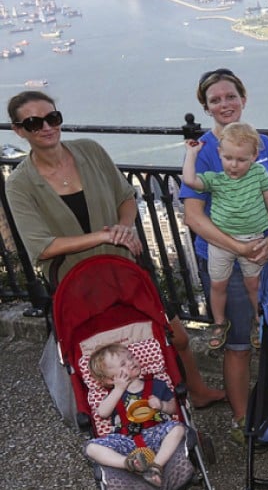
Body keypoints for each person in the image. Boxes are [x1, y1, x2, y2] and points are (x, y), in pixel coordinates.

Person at [4, 90, 222, 408]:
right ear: (19, 131)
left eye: (52, 118)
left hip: (125, 267)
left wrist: (123, 226)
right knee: (110, 355)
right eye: (34, 123)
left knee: (177, 336)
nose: (46, 127)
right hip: (77, 282)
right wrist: (104, 236)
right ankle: (133, 416)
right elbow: (42, 246)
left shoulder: (89, 151)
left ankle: (196, 391)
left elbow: (125, 196)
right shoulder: (20, 183)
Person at [181, 69, 268, 445]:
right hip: (226, 255)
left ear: (243, 98)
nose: (224, 104)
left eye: (230, 96)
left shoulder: (262, 143)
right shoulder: (205, 150)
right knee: (239, 341)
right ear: (206, 107)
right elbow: (193, 214)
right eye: (216, 100)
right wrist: (240, 247)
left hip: (267, 251)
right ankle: (243, 421)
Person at [181, 123, 268, 349]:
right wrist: (191, 154)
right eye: (228, 158)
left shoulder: (258, 173)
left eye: (240, 160)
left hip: (254, 239)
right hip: (221, 243)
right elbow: (190, 180)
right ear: (219, 153)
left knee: (253, 284)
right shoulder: (215, 178)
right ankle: (218, 322)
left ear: (254, 156)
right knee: (218, 284)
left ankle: (258, 320)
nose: (233, 165)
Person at [83, 343, 186, 488]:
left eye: (131, 357)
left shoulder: (157, 384)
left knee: (178, 429)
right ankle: (128, 463)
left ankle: (156, 467)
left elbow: (174, 408)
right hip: (126, 442)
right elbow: (102, 413)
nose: (131, 362)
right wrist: (118, 389)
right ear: (110, 380)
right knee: (90, 448)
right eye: (123, 363)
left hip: (157, 435)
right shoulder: (112, 395)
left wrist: (162, 405)